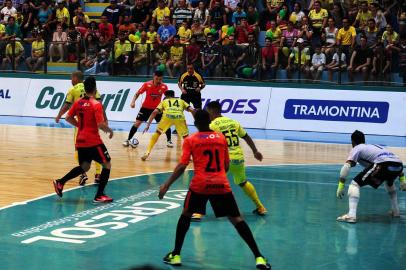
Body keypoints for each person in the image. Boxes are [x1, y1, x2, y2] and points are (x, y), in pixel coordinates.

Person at [158, 109, 271, 270]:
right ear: (209, 122)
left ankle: (176, 255)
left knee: (186, 215)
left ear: (196, 123)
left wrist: (166, 185)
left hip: (200, 185)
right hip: (221, 185)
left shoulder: (191, 140)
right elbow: (225, 165)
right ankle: (259, 257)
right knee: (237, 219)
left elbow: (183, 165)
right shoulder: (221, 138)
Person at [198, 100, 267, 219]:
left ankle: (198, 212)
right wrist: (255, 151)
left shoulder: (212, 125)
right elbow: (246, 137)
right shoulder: (234, 122)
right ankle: (260, 207)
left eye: (207, 112)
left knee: (208, 182)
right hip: (238, 157)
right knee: (243, 182)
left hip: (223, 159)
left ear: (212, 112)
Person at [53, 77, 114, 203]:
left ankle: (60, 182)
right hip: (93, 141)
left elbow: (68, 118)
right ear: (95, 88)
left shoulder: (78, 102)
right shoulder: (96, 104)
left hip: (80, 140)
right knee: (107, 164)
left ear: (85, 88)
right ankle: (99, 195)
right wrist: (109, 130)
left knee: (85, 166)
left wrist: (80, 126)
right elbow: (100, 124)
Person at [336, 130, 406, 223]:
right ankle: (396, 211)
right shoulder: (376, 147)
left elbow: (346, 166)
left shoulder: (357, 148)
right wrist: (402, 180)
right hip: (399, 166)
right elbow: (394, 160)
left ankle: (351, 215)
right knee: (389, 183)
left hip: (383, 164)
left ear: (352, 142)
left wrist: (341, 186)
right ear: (364, 140)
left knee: (355, 184)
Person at [55, 71, 104, 185]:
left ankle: (83, 174)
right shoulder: (92, 88)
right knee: (96, 149)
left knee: (78, 150)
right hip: (93, 124)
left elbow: (67, 105)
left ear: (76, 78)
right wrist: (104, 121)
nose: (71, 80)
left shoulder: (73, 90)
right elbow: (100, 105)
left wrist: (58, 115)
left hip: (81, 125)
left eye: (71, 77)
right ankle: (98, 174)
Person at [123, 70, 172, 148]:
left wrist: (166, 105)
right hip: (145, 108)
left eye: (160, 79)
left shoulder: (164, 86)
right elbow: (137, 93)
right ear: (154, 76)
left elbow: (168, 97)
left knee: (164, 124)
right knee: (137, 123)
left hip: (158, 109)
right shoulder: (147, 84)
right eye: (157, 79)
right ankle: (128, 140)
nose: (158, 81)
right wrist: (133, 102)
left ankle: (169, 141)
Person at [141, 90, 194, 161]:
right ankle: (189, 156)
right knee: (186, 137)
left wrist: (148, 125)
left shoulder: (164, 101)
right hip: (179, 117)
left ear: (166, 96)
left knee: (157, 133)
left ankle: (147, 152)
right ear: (174, 95)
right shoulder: (181, 101)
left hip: (167, 117)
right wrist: (195, 119)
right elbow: (192, 110)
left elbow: (155, 112)